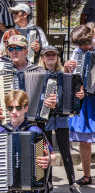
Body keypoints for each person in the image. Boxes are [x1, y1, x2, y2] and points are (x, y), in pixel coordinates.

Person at [0, 90, 57, 193]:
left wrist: (49, 160)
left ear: (26, 108)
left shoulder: (35, 132)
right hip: (5, 186)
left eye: (18, 107)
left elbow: (53, 156)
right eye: (10, 108)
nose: (14, 111)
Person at [38, 46, 83, 193]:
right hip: (45, 117)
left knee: (65, 150)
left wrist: (79, 94)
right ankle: (48, 182)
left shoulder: (65, 74)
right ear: (42, 58)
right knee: (48, 151)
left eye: (53, 54)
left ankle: (72, 181)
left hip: (61, 117)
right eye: (47, 55)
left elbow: (75, 89)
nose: (50, 56)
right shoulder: (38, 74)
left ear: (57, 57)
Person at [0, 35, 56, 122]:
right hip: (9, 122)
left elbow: (54, 99)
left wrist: (53, 101)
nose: (14, 51)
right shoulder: (4, 72)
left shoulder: (40, 71)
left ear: (26, 52)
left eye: (19, 48)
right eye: (11, 49)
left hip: (35, 124)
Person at [64, 25, 95, 186]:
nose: (82, 48)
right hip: (86, 101)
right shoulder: (78, 53)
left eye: (85, 44)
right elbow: (73, 78)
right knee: (84, 141)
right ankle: (87, 175)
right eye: (79, 45)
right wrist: (68, 69)